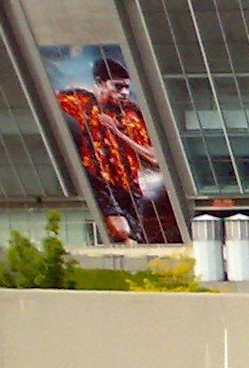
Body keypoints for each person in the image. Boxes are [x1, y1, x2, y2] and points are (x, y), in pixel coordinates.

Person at [56, 57, 172, 243]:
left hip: (131, 187)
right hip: (101, 181)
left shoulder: (133, 115)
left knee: (134, 239)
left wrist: (118, 133)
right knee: (121, 231)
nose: (125, 93)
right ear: (101, 84)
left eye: (127, 87)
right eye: (118, 87)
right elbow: (45, 97)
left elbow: (154, 158)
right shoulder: (83, 102)